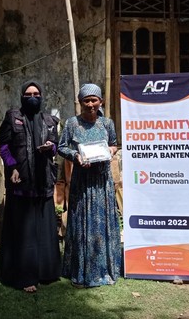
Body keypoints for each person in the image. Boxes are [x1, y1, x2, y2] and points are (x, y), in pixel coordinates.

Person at [0, 80, 61, 293]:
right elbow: (4, 146)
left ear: (41, 96)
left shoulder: (49, 120)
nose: (32, 97)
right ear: (22, 96)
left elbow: (55, 148)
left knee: (43, 230)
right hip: (21, 183)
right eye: (28, 94)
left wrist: (50, 147)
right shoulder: (12, 117)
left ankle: (46, 272)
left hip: (43, 182)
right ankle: (24, 275)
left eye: (36, 93)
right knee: (24, 232)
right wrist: (13, 167)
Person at [58, 83, 122, 287]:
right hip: (82, 182)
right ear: (80, 103)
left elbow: (114, 144)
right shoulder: (72, 124)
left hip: (102, 182)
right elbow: (61, 147)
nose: (91, 104)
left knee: (102, 223)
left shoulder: (107, 124)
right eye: (86, 100)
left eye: (94, 100)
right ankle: (80, 271)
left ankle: (104, 270)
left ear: (100, 101)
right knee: (81, 223)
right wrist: (75, 155)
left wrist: (110, 152)